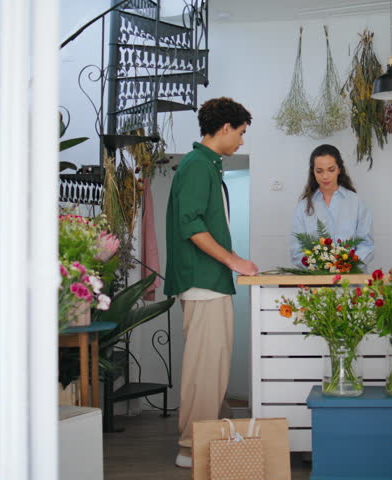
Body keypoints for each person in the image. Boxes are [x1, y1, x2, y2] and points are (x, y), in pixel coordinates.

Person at [164, 97, 258, 469]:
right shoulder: (197, 166)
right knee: (205, 370)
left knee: (214, 366)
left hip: (210, 282)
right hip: (203, 282)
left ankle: (213, 437)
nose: (241, 141)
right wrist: (236, 261)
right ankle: (190, 447)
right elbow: (191, 226)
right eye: (241, 133)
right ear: (225, 129)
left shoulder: (206, 166)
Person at [290, 144, 374, 268]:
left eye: (331, 170)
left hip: (350, 282)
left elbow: (366, 245)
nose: (325, 176)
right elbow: (296, 250)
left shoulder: (356, 203)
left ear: (339, 169)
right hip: (316, 282)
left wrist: (346, 266)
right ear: (313, 172)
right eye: (319, 171)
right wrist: (320, 267)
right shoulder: (303, 207)